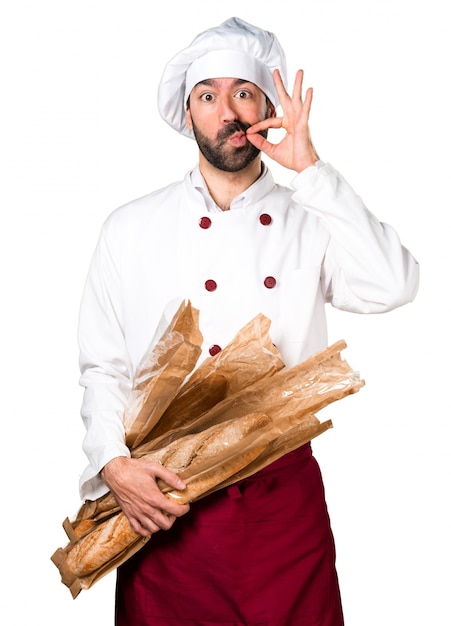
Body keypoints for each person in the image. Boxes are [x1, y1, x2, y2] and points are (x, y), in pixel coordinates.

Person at [77, 16, 419, 626]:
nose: (227, 111)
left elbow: (394, 284)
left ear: (266, 107)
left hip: (280, 496)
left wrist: (311, 168)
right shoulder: (130, 228)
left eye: (244, 93)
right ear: (188, 115)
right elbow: (105, 365)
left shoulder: (310, 215)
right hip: (166, 497)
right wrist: (112, 463)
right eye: (208, 96)